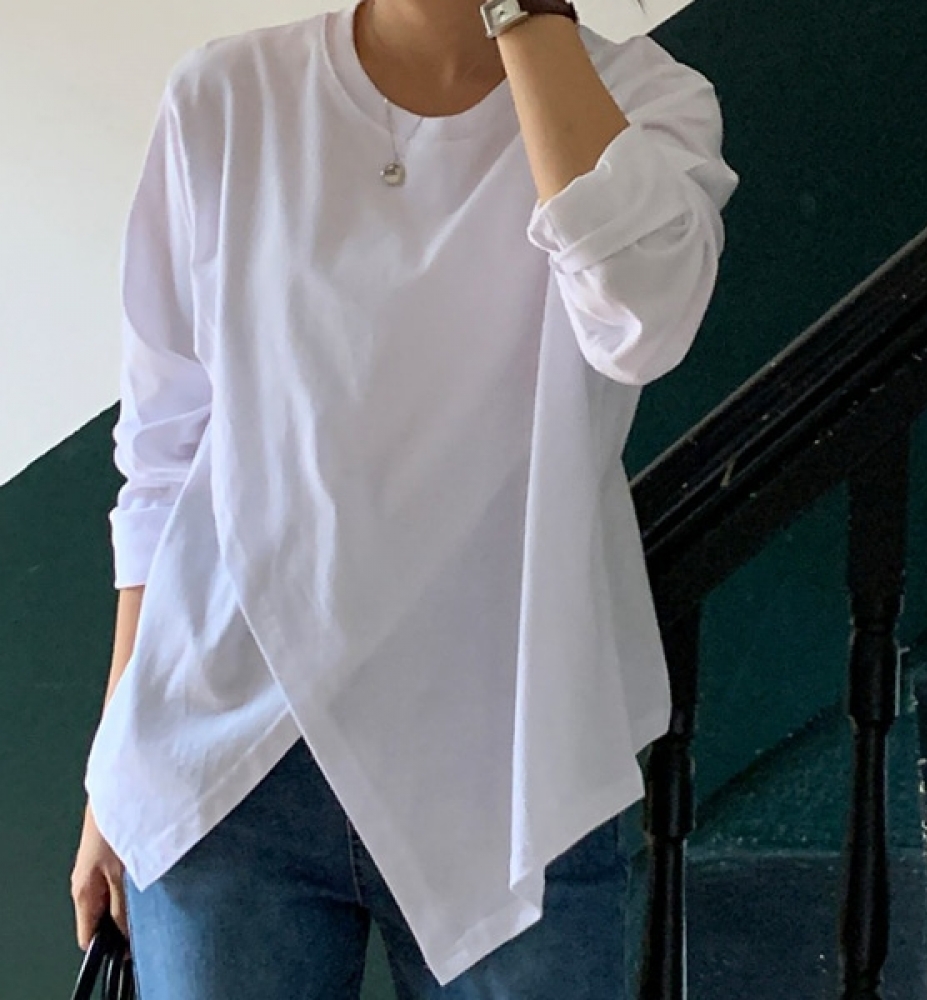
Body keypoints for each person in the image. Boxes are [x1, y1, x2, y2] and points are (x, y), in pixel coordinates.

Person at [70, 0, 738, 996]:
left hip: (511, 772)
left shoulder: (646, 101)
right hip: (225, 768)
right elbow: (164, 451)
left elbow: (641, 318)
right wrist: (113, 763)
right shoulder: (227, 95)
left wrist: (526, 14)